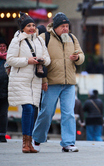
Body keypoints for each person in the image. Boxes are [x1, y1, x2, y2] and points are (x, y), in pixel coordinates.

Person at [32, 12, 85, 153]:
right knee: (47, 112)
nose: (66, 29)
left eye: (67, 26)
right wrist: (43, 80)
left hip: (69, 83)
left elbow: (81, 55)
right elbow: (40, 61)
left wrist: (77, 58)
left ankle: (68, 143)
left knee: (69, 113)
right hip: (51, 82)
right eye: (63, 26)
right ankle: (37, 138)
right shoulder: (44, 38)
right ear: (55, 27)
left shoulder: (72, 38)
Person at [6, 13, 50, 152]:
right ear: (23, 28)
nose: (32, 28)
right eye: (28, 26)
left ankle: (29, 143)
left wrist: (42, 60)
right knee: (28, 109)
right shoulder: (16, 40)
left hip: (35, 81)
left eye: (33, 25)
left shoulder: (40, 41)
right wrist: (28, 61)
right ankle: (25, 143)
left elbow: (48, 59)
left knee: (32, 111)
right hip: (21, 80)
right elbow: (10, 59)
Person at [0, 37, 9, 142]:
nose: (2, 48)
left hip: (5, 90)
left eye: (4, 46)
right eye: (0, 46)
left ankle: (2, 134)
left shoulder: (9, 59)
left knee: (3, 113)